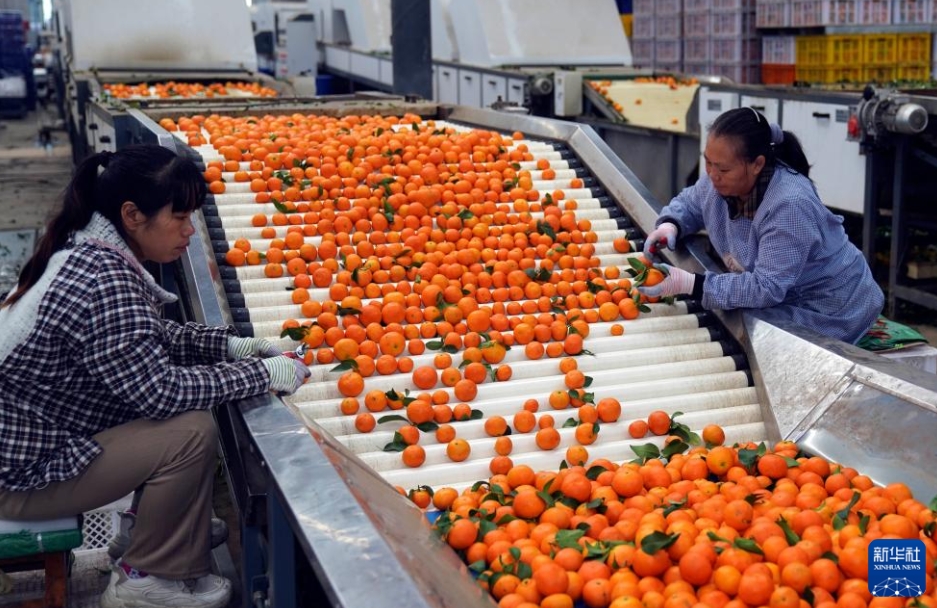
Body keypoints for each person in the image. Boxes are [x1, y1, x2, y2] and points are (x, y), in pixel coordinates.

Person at [0, 145, 309, 608]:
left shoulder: (89, 249)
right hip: (21, 479)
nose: (190, 231)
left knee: (177, 411)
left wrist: (228, 345)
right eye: (179, 217)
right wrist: (260, 374)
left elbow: (144, 337)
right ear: (132, 215)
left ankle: (153, 534)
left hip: (34, 447)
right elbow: (160, 393)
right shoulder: (103, 279)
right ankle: (147, 578)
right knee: (189, 432)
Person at [640, 107, 883, 344]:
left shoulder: (789, 206)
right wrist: (671, 224)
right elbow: (692, 203)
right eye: (708, 162)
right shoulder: (718, 180)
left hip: (831, 305)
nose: (712, 175)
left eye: (723, 168)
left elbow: (767, 287)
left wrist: (692, 284)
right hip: (782, 293)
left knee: (751, 340)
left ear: (757, 164)